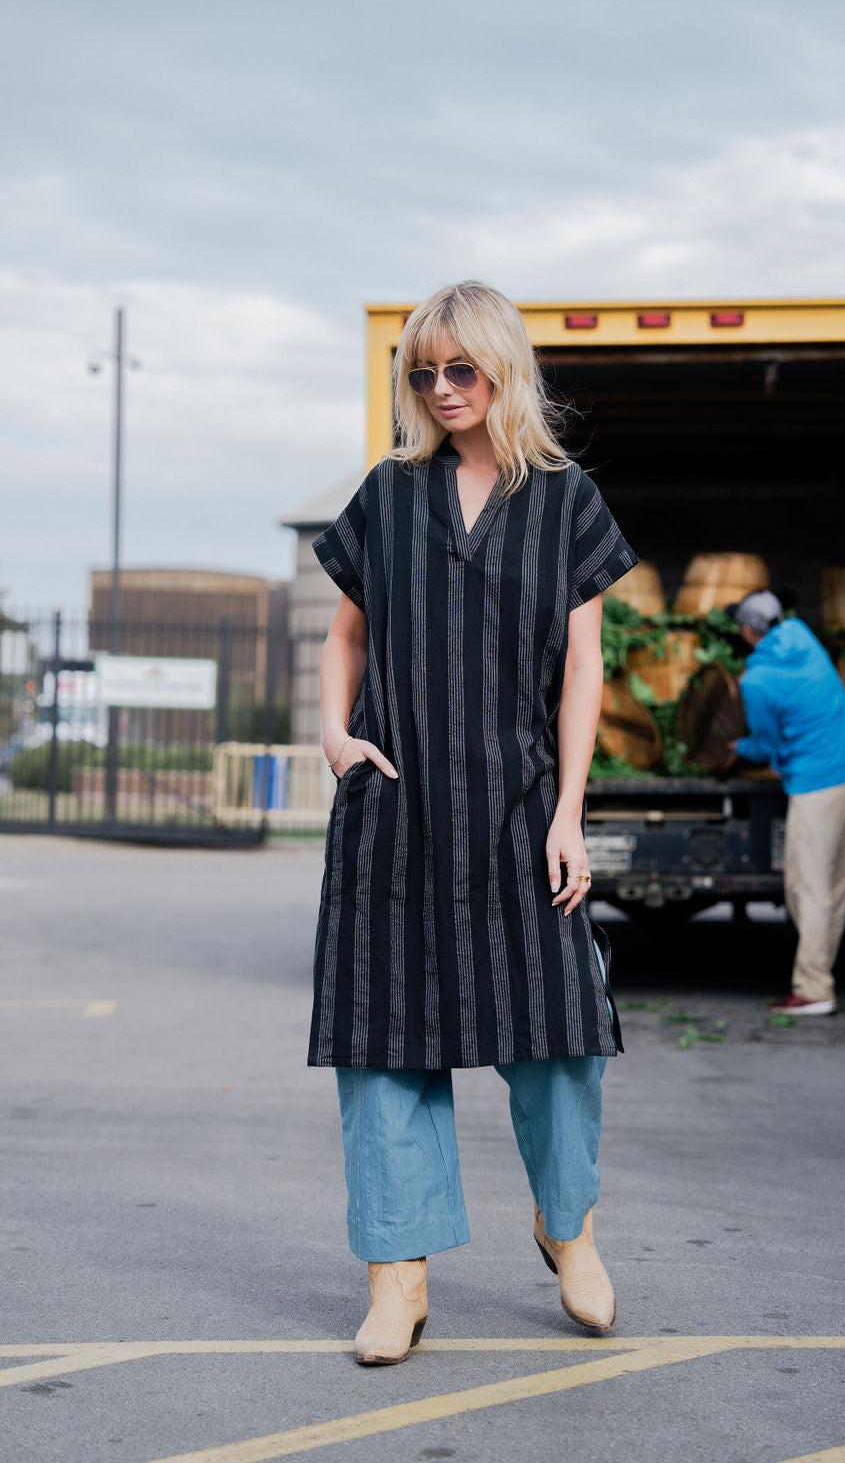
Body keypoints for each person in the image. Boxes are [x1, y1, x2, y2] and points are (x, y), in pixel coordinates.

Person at [310, 281, 638, 1364]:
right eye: (422, 373)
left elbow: (584, 666)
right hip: (395, 811)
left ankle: (566, 1225)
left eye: (461, 369)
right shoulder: (390, 495)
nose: (441, 390)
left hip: (516, 812)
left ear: (503, 370)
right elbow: (344, 635)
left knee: (561, 1039)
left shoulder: (566, 501)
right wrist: (333, 735)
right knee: (385, 1051)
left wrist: (567, 813)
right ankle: (396, 1279)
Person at [725, 590, 845, 1017]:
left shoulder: (756, 681)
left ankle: (812, 990)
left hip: (819, 787)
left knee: (807, 888)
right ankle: (819, 977)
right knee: (834, 888)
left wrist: (739, 747)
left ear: (749, 630)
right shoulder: (802, 635)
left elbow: (766, 747)